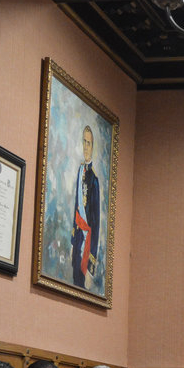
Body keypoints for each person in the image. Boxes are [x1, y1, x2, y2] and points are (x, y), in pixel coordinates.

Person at [71, 124, 101, 290]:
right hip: (77, 243)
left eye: (88, 143)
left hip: (87, 245)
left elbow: (95, 226)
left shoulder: (94, 180)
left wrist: (91, 268)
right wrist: (71, 241)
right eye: (84, 142)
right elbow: (76, 207)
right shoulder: (79, 171)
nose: (85, 146)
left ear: (93, 146)